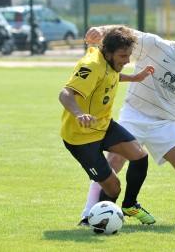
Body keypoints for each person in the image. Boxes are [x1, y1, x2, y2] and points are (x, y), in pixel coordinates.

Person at [79, 20, 175, 225]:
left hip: (164, 124)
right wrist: (101, 29)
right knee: (113, 163)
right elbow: (124, 33)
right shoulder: (154, 44)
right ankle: (88, 213)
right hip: (133, 116)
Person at [59, 25, 156, 226]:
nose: (127, 61)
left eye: (129, 55)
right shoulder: (92, 64)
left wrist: (135, 77)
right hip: (81, 137)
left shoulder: (109, 63)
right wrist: (79, 113)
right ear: (108, 52)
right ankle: (95, 221)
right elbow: (65, 93)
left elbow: (111, 76)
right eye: (123, 56)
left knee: (139, 156)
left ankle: (129, 205)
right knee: (114, 188)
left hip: (103, 125)